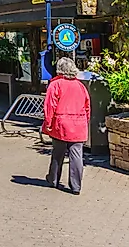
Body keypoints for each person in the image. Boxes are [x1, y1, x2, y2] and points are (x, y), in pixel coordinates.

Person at [43, 57, 90, 195]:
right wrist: (85, 121)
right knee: (77, 155)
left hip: (61, 124)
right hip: (79, 124)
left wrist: (48, 123)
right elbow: (87, 106)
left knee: (57, 153)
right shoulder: (81, 86)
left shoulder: (55, 85)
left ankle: (53, 179)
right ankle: (76, 186)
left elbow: (49, 106)